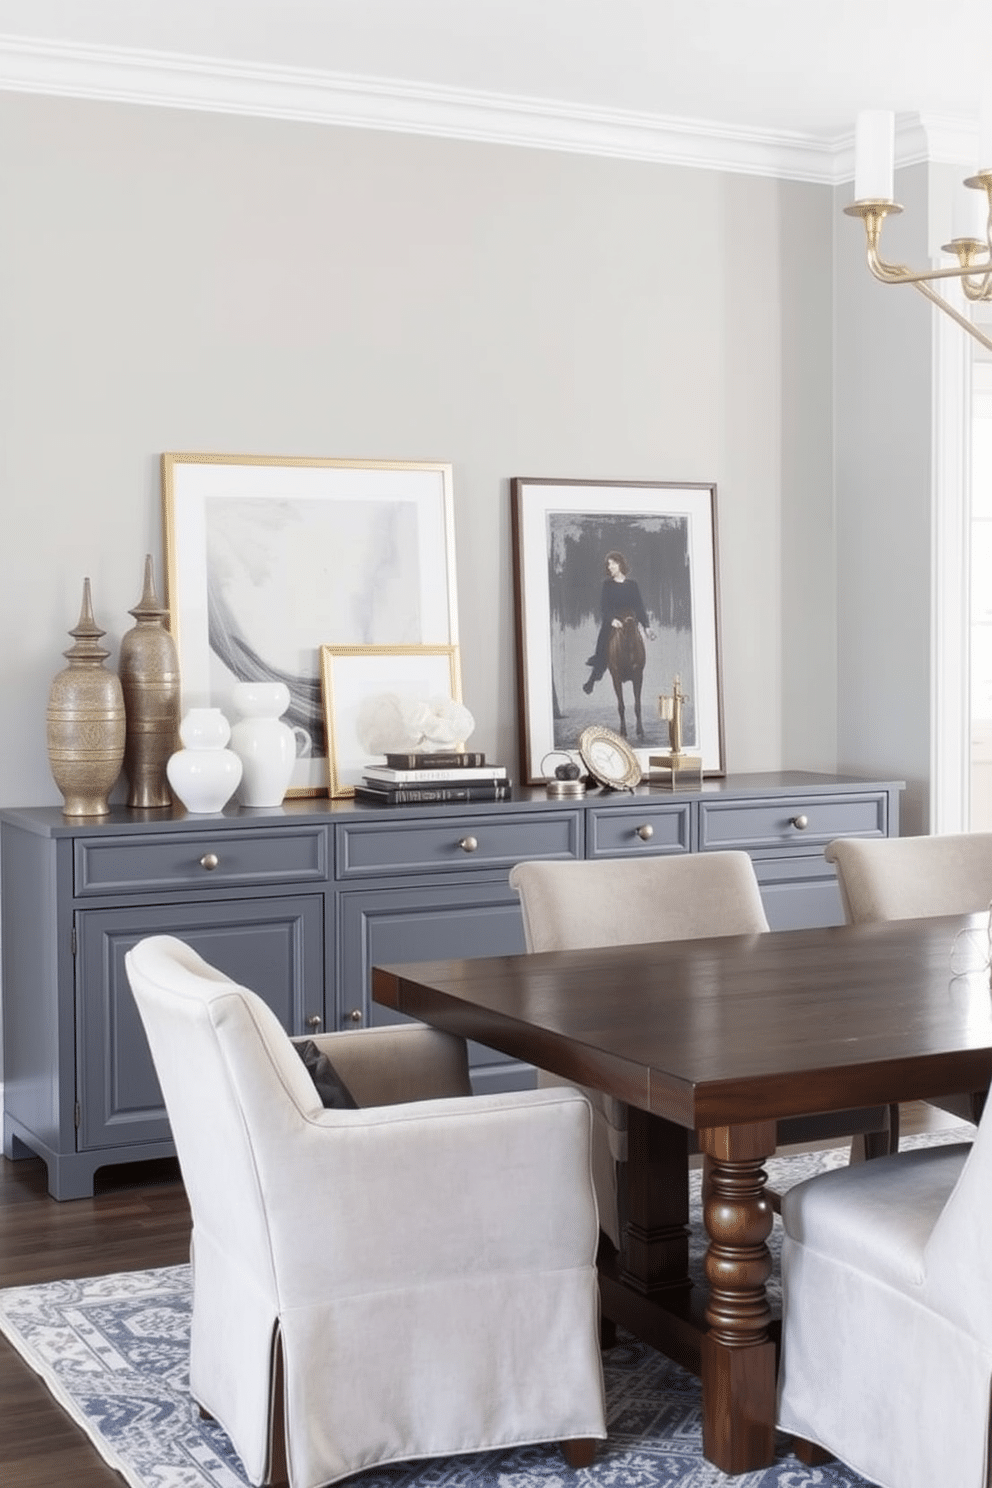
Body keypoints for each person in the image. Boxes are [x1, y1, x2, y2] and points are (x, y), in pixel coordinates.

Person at [582, 551, 655, 693]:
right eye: (608, 565)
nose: (609, 567)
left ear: (620, 564)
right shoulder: (607, 585)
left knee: (638, 643)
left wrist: (646, 627)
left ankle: (637, 667)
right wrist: (612, 620)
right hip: (614, 622)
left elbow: (639, 607)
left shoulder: (632, 585)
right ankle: (593, 676)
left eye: (612, 564)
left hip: (629, 622)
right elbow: (604, 607)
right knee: (604, 644)